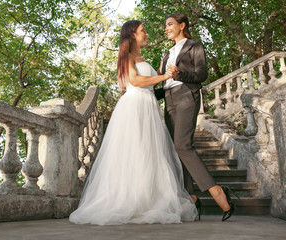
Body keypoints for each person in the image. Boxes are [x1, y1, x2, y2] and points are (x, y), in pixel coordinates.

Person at [69, 20, 198, 225]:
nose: (146, 34)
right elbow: (135, 81)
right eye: (142, 31)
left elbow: (151, 83)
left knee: (149, 153)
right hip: (135, 106)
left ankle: (147, 198)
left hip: (148, 106)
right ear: (132, 35)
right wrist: (163, 76)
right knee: (134, 151)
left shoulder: (142, 58)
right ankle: (128, 200)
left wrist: (169, 76)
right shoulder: (127, 57)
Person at [154, 13, 236, 221]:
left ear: (182, 26)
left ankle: (217, 191)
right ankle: (192, 198)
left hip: (186, 96)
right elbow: (164, 86)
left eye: (170, 24)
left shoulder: (194, 46)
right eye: (166, 25)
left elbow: (201, 74)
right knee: (176, 150)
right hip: (170, 101)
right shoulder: (167, 55)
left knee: (183, 146)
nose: (167, 28)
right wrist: (141, 93)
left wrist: (180, 74)